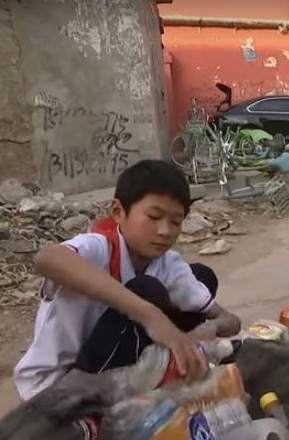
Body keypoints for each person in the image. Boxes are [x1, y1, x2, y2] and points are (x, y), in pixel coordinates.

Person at [14, 159, 241, 401]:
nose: (165, 231)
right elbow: (46, 258)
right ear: (118, 212)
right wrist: (150, 316)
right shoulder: (99, 247)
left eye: (175, 222)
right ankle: (110, 399)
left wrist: (207, 329)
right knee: (145, 291)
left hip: (109, 357)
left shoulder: (166, 262)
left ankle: (171, 366)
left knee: (201, 276)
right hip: (58, 385)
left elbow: (230, 320)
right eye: (154, 217)